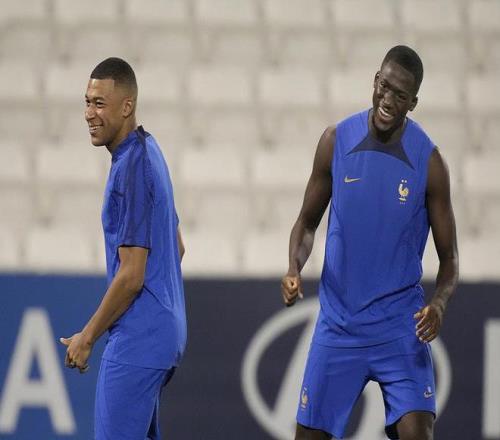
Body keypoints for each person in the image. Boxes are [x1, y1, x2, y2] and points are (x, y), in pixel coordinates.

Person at [281, 45, 459, 440]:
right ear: (375, 81)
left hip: (400, 328)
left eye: (400, 95)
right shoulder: (335, 141)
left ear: (413, 103)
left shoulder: (430, 163)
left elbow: (450, 259)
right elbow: (307, 223)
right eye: (384, 86)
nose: (387, 100)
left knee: (418, 434)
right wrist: (294, 266)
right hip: (339, 326)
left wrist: (439, 304)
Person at [59, 57, 187, 440]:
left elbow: (132, 276)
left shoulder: (131, 167)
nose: (89, 113)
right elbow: (178, 246)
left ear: (126, 106)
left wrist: (88, 337)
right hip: (163, 333)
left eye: (99, 103)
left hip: (139, 339)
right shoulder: (150, 150)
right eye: (87, 102)